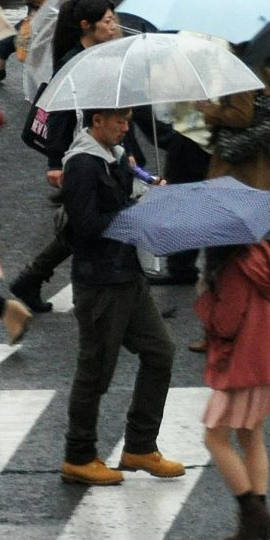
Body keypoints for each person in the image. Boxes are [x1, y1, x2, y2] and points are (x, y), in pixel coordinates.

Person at [59, 107, 185, 488]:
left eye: (128, 121)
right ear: (97, 121)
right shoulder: (82, 164)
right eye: (119, 121)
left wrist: (147, 188)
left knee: (160, 352)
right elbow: (85, 227)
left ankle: (140, 447)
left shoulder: (115, 156)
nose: (126, 129)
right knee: (94, 371)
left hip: (127, 276)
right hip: (99, 283)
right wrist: (138, 210)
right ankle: (79, 456)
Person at [195, 234, 270, 540]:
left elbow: (225, 325)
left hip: (244, 364)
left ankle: (252, 512)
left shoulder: (233, 269)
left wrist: (206, 297)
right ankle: (258, 519)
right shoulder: (262, 254)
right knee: (252, 435)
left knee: (215, 438)